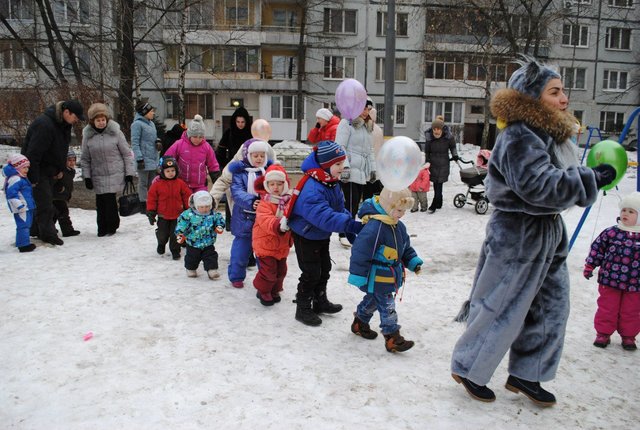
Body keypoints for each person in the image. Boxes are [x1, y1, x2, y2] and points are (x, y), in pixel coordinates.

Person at [450, 57, 616, 406]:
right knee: (502, 305)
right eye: (555, 92)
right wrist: (588, 180)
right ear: (531, 96)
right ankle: (468, 367)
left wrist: (586, 177)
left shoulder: (546, 135)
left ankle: (528, 373)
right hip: (518, 232)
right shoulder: (519, 136)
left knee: (551, 306)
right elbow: (536, 185)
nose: (564, 99)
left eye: (563, 91)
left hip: (547, 231)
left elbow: (557, 176)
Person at [282, 140, 363, 326]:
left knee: (324, 268)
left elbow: (338, 208)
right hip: (306, 235)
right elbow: (324, 217)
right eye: (337, 164)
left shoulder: (329, 182)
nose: (342, 168)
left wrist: (348, 223)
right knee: (311, 272)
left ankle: (319, 300)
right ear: (325, 165)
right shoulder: (312, 188)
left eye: (343, 163)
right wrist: (349, 225)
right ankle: (302, 308)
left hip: (320, 234)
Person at [348, 188, 423, 352]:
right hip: (377, 276)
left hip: (390, 276)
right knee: (387, 306)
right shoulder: (375, 228)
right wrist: (358, 274)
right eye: (398, 210)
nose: (401, 214)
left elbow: (405, 248)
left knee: (374, 300)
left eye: (404, 211)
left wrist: (412, 262)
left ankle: (360, 322)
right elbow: (360, 251)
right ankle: (392, 337)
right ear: (388, 207)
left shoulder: (398, 226)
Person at [21, 99, 84, 246]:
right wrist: (33, 177)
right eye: (75, 117)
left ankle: (36, 230)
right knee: (45, 205)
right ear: (66, 112)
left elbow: (60, 150)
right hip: (39, 170)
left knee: (50, 201)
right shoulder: (45, 125)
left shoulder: (64, 125)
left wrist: (60, 169)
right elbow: (33, 153)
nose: (75, 121)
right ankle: (48, 235)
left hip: (52, 171)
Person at [583, 192, 640, 351]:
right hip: (610, 280)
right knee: (607, 308)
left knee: (631, 312)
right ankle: (603, 333)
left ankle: (628, 336)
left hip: (635, 284)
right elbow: (597, 249)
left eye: (631, 211)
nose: (625, 214)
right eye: (624, 210)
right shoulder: (611, 232)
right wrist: (590, 265)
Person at [81, 103, 135, 237]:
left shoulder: (116, 133)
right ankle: (102, 228)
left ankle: (111, 226)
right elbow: (85, 158)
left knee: (110, 200)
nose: (101, 122)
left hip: (114, 173)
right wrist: (87, 177)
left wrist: (129, 173)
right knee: (100, 202)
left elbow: (126, 154)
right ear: (92, 121)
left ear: (107, 119)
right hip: (98, 174)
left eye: (103, 119)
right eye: (98, 120)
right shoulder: (88, 136)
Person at [227, 139, 273, 288]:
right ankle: (236, 276)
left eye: (261, 155)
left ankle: (266, 279)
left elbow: (276, 188)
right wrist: (251, 201)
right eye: (255, 156)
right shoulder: (240, 173)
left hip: (264, 219)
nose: (259, 159)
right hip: (244, 218)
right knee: (240, 252)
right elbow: (237, 192)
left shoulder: (269, 172)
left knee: (264, 253)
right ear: (248, 156)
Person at [335, 98, 375, 248]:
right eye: (364, 109)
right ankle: (343, 233)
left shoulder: (366, 126)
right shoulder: (346, 123)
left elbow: (369, 150)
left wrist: (373, 168)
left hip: (361, 172)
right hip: (349, 171)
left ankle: (350, 231)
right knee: (349, 204)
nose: (366, 112)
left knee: (355, 204)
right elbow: (340, 147)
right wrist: (344, 167)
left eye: (369, 110)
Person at [251, 165, 293, 306]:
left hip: (281, 245)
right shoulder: (265, 203)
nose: (276, 187)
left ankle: (274, 290)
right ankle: (263, 290)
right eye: (272, 184)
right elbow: (265, 220)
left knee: (281, 271)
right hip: (265, 243)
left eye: (279, 184)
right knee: (268, 271)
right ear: (266, 185)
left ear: (285, 184)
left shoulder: (289, 202)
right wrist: (278, 224)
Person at [146, 156, 192, 260]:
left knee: (176, 234)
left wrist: (188, 210)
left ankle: (176, 251)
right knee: (163, 234)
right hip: (163, 215)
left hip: (177, 215)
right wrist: (151, 212)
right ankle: (161, 244)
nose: (171, 173)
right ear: (162, 172)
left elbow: (187, 197)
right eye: (168, 171)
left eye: (173, 170)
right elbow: (151, 199)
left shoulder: (180, 183)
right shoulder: (156, 185)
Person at [175, 191, 226, 279]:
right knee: (192, 257)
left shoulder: (213, 214)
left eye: (207, 206)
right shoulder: (188, 214)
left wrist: (219, 226)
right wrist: (180, 234)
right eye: (201, 207)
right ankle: (191, 269)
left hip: (208, 242)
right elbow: (181, 224)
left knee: (211, 256)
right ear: (195, 205)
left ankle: (212, 270)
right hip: (193, 242)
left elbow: (219, 220)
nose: (205, 209)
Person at [164, 114, 220, 193]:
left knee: (201, 204)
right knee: (186, 204)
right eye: (195, 136)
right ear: (189, 134)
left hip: (200, 185)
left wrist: (217, 180)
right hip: (182, 184)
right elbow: (167, 158)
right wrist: (165, 172)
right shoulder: (179, 144)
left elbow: (213, 164)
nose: (197, 139)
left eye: (200, 137)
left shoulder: (206, 147)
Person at [424, 115, 458, 213]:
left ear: (442, 129)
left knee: (439, 184)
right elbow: (427, 151)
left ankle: (434, 205)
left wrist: (455, 155)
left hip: (443, 164)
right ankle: (439, 202)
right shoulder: (429, 138)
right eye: (434, 129)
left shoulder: (448, 137)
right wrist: (427, 162)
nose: (436, 131)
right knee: (436, 184)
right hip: (433, 164)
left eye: (438, 129)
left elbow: (453, 147)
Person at [3, 154, 36, 252]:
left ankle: (24, 242)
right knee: (23, 225)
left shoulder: (21, 177)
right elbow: (11, 194)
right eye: (23, 168)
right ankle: (23, 245)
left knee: (26, 224)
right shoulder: (15, 179)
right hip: (22, 207)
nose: (26, 170)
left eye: (27, 167)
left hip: (27, 206)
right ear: (17, 167)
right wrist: (19, 205)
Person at [131, 101, 158, 214]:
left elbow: (153, 138)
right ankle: (143, 204)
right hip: (143, 159)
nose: (153, 113)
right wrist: (139, 158)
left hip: (153, 158)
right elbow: (135, 143)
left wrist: (158, 142)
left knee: (152, 183)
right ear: (144, 112)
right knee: (143, 183)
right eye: (151, 111)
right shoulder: (137, 124)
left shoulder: (151, 124)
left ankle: (151, 204)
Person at [52, 149, 80, 237]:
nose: (72, 163)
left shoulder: (71, 171)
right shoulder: (61, 171)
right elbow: (54, 181)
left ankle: (49, 228)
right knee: (63, 213)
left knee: (55, 214)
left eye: (73, 160)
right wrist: (59, 188)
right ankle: (67, 230)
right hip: (57, 196)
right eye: (69, 160)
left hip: (63, 196)